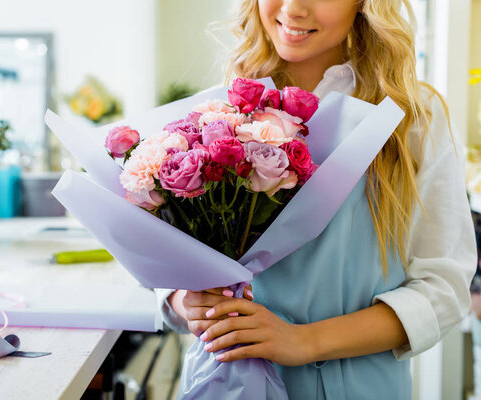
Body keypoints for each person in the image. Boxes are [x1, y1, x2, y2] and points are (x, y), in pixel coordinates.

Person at [155, 0, 477, 399]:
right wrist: (187, 302)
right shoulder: (215, 114)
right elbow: (168, 260)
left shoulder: (413, 119)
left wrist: (303, 342)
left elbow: (443, 290)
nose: (293, 9)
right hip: (226, 383)